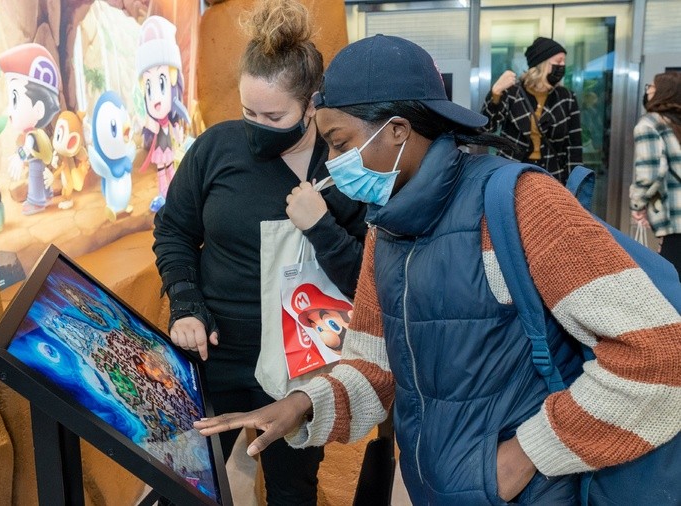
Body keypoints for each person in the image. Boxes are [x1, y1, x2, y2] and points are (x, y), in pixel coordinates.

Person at [195, 34, 681, 505]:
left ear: (399, 131)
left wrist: (526, 455)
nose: (336, 166)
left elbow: (660, 356)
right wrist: (304, 404)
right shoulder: (384, 228)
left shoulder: (517, 204)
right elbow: (374, 364)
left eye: (341, 145)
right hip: (437, 486)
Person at [151, 0, 367, 503]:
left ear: (312, 104)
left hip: (301, 370)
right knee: (180, 480)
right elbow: (174, 231)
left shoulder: (346, 168)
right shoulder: (215, 149)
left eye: (273, 115)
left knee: (293, 491)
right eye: (248, 111)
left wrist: (322, 227)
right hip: (216, 356)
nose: (256, 126)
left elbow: (368, 278)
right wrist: (186, 303)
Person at [482, 37, 582, 184]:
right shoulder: (512, 92)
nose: (563, 66)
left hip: (552, 175)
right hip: (512, 173)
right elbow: (486, 127)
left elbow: (574, 146)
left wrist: (575, 184)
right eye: (559, 61)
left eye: (564, 62)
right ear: (541, 63)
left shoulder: (566, 97)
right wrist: (496, 92)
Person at [630, 72, 681, 276]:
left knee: (672, 282)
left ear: (663, 92)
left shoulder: (650, 124)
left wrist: (638, 204)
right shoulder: (676, 124)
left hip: (675, 219)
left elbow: (649, 173)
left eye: (651, 86)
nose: (648, 90)